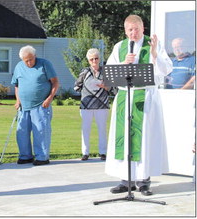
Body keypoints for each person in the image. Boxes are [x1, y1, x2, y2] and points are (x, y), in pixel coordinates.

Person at [105, 15, 173, 196]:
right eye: (129, 30)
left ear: (143, 28)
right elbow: (110, 72)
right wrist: (123, 63)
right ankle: (125, 181)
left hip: (145, 98)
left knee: (144, 140)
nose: (133, 33)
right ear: (125, 30)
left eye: (136, 29)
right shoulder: (119, 47)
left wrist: (154, 55)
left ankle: (143, 181)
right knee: (125, 138)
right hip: (125, 98)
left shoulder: (153, 44)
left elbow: (167, 69)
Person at [11, 45, 59, 166]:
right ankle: (25, 156)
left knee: (41, 132)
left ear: (35, 56)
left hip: (41, 105)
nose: (29, 62)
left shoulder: (44, 64)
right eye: (26, 60)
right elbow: (16, 85)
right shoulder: (19, 67)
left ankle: (42, 157)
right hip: (24, 106)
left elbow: (55, 82)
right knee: (21, 132)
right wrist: (18, 100)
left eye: (31, 59)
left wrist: (49, 98)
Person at [74, 48, 110, 161]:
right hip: (86, 106)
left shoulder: (105, 72)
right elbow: (76, 87)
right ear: (88, 60)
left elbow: (113, 89)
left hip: (102, 105)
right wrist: (87, 91)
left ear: (99, 59)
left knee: (102, 129)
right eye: (91, 59)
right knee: (85, 129)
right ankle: (85, 153)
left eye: (96, 58)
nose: (94, 61)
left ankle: (103, 152)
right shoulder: (85, 72)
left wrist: (105, 86)